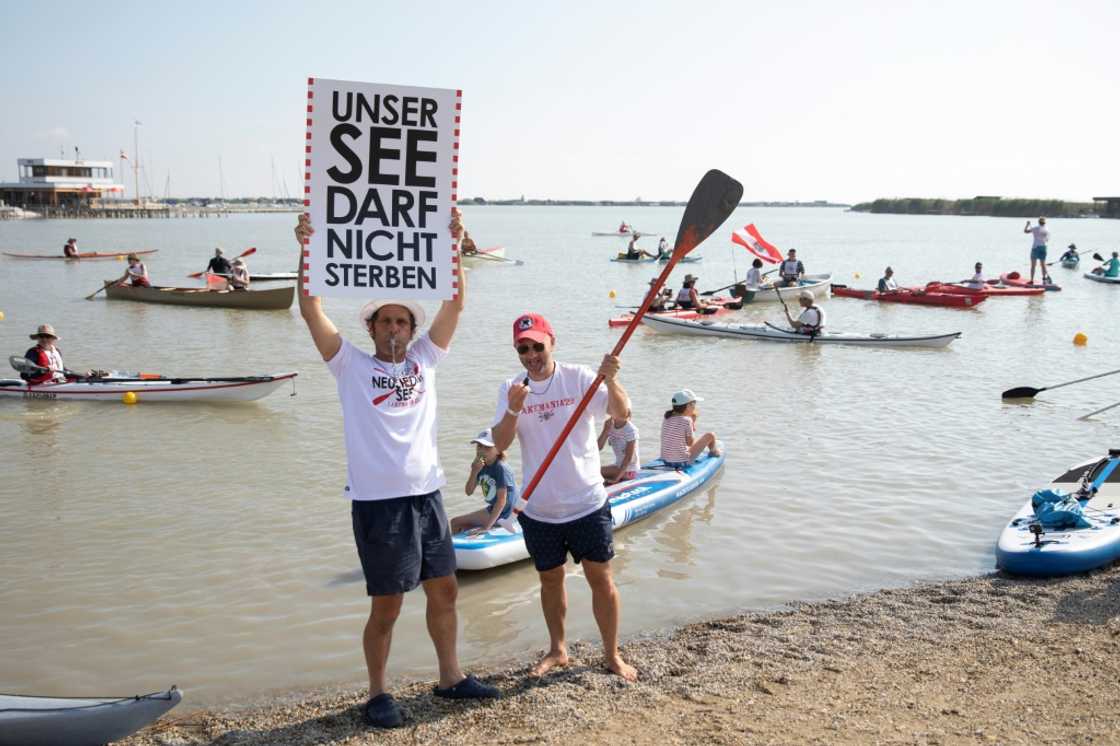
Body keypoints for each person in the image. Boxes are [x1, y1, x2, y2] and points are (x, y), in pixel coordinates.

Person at [293, 210, 498, 729]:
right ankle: (377, 693)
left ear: (411, 330)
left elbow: (456, 302)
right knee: (386, 606)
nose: (393, 328)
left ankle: (450, 678)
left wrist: (455, 246)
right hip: (378, 502)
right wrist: (307, 247)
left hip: (428, 495)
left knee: (444, 590)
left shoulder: (426, 359)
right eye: (384, 321)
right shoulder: (349, 365)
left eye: (401, 321)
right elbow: (310, 307)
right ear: (371, 328)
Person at [491, 312, 638, 682]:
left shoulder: (579, 378)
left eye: (537, 346)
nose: (531, 355)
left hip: (587, 502)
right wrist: (512, 408)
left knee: (601, 580)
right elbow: (499, 444)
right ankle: (558, 650)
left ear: (551, 342)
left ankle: (611, 654)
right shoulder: (511, 387)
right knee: (550, 581)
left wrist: (612, 379)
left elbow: (622, 413)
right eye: (523, 348)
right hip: (539, 509)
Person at [449, 429, 519, 535]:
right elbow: (469, 492)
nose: (481, 451)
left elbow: (501, 501)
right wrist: (474, 471)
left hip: (506, 513)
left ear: (498, 450)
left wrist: (486, 527)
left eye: (487, 447)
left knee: (456, 523)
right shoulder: (481, 465)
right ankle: (461, 548)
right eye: (479, 446)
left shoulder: (501, 468)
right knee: (458, 524)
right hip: (493, 509)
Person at [659, 389, 720, 467]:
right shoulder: (687, 420)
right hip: (681, 462)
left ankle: (712, 450)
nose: (695, 406)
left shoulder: (667, 418)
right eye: (694, 403)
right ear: (688, 406)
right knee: (710, 435)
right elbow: (690, 443)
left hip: (666, 461)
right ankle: (714, 451)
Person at [598, 410, 640, 485]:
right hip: (618, 467)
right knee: (591, 471)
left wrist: (616, 479)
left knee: (593, 472)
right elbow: (598, 447)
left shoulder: (631, 430)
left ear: (628, 414)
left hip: (630, 471)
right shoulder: (610, 426)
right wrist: (605, 430)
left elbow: (628, 457)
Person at [1024, 217, 1049, 284]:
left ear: (1039, 222)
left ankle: (1032, 280)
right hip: (1044, 247)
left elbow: (1025, 231)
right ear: (1044, 222)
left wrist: (1027, 224)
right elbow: (1047, 240)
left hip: (1036, 247)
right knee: (1043, 264)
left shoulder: (1035, 228)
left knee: (1033, 265)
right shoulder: (1046, 229)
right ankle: (1044, 280)